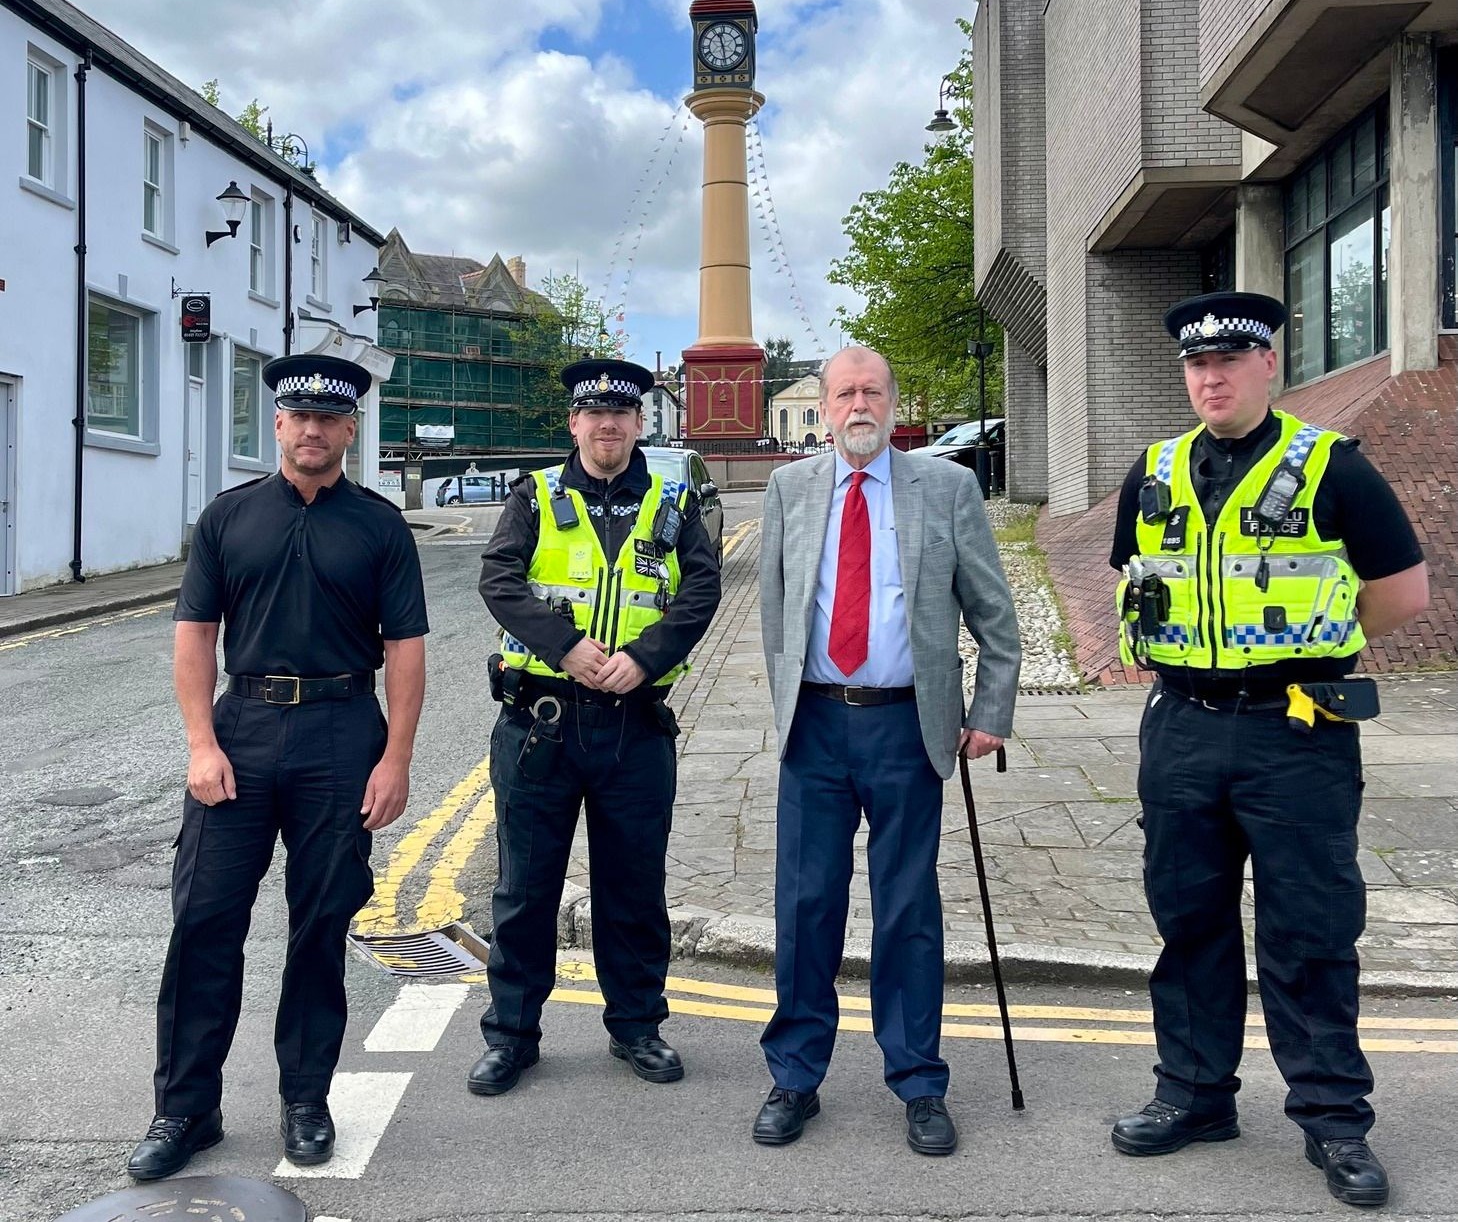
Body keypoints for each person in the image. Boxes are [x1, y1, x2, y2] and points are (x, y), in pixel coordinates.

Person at [1109, 292, 1429, 1208]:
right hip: (1180, 726)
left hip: (1297, 732)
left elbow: (1402, 595)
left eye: (1228, 362)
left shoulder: (1332, 467)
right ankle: (1196, 1095)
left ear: (1267, 368)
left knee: (1310, 930)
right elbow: (1140, 583)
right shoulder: (1154, 471)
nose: (1209, 378)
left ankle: (1334, 1122)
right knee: (1189, 922)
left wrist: (1311, 649)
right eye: (1196, 365)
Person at [127, 353, 428, 1181]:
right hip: (244, 728)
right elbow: (195, 636)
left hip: (341, 732)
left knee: (319, 925)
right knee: (203, 923)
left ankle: (306, 1099)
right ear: (279, 425)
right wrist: (200, 743)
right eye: (300, 417)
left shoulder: (379, 525)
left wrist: (395, 758)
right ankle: (186, 1108)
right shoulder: (228, 519)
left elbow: (405, 650)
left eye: (330, 420)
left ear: (349, 431)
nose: (313, 431)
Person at [753, 346, 1021, 1157]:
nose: (858, 404)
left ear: (894, 403)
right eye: (844, 393)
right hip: (818, 727)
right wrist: (789, 705)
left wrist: (990, 711)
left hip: (908, 727)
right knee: (805, 907)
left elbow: (994, 616)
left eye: (872, 391)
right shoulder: (789, 488)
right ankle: (795, 1075)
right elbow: (772, 607)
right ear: (825, 407)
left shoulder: (947, 487)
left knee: (907, 908)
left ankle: (919, 1080)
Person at [467, 357, 721, 1097]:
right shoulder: (536, 495)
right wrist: (567, 647)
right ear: (574, 423)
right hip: (540, 726)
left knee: (633, 888)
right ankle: (512, 1036)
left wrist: (646, 658)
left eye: (621, 414)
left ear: (639, 424)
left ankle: (637, 1026)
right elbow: (499, 579)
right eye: (593, 414)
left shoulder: (671, 498)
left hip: (635, 725)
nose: (607, 425)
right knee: (524, 890)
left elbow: (701, 588)